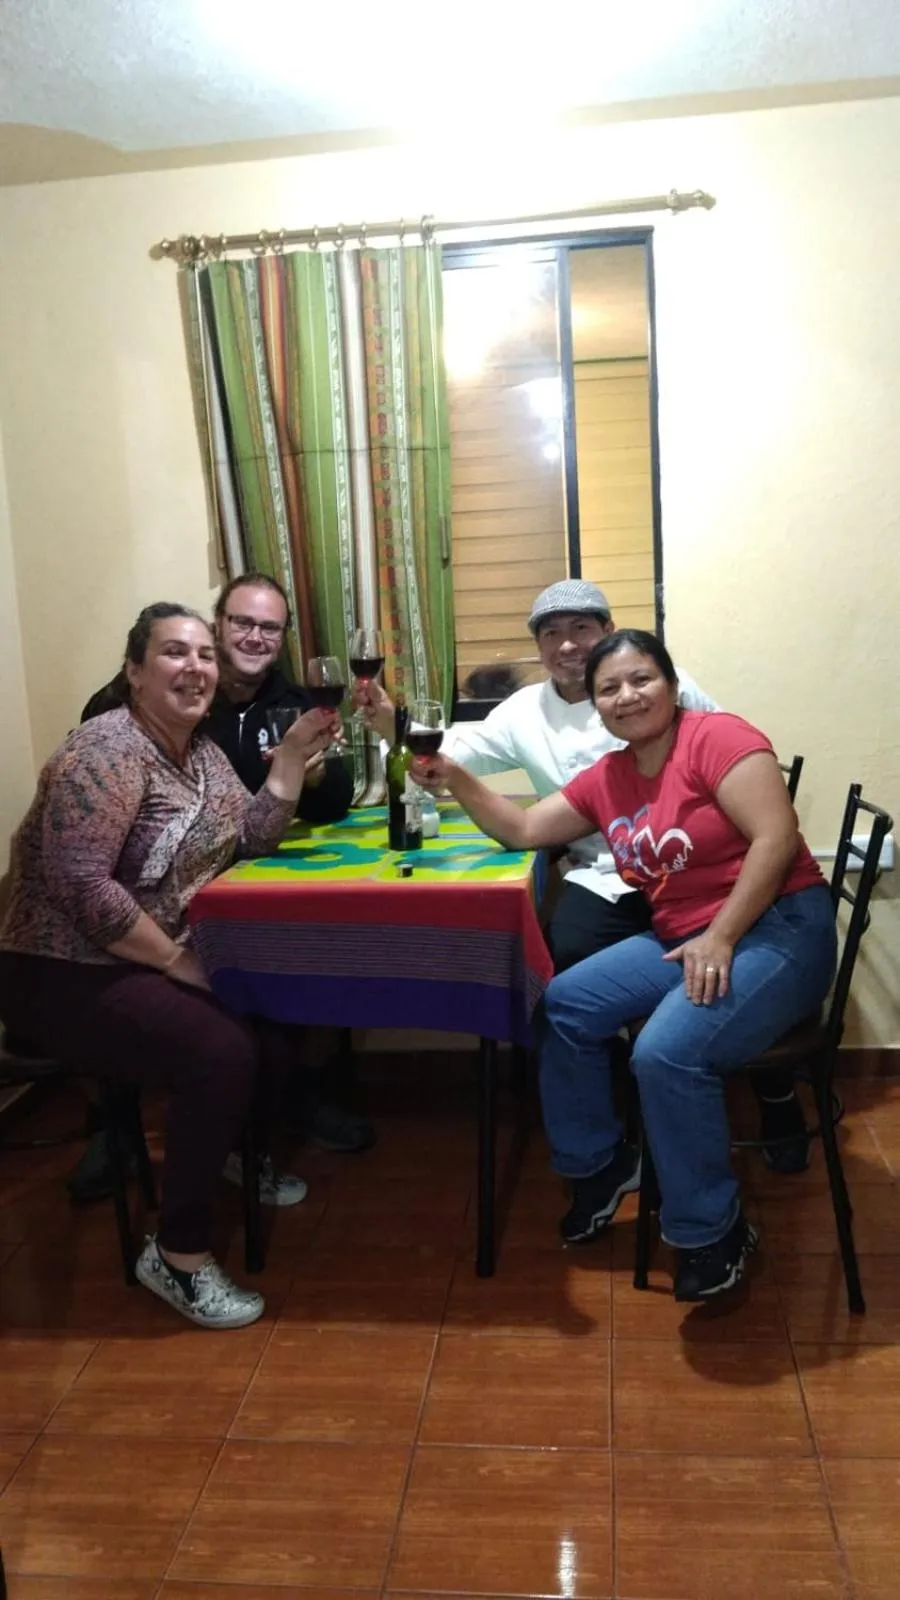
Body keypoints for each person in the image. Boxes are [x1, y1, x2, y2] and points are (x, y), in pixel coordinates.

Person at [410, 630, 836, 1301]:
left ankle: (711, 1232)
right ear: (597, 707)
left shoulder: (718, 737)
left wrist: (722, 937)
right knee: (565, 1004)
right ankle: (604, 1165)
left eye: (641, 679)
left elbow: (776, 838)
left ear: (670, 683)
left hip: (778, 929)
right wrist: (455, 776)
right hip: (684, 937)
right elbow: (523, 831)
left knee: (665, 1054)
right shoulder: (610, 777)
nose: (626, 696)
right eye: (609, 688)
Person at [356, 578, 810, 1171]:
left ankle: (765, 1088)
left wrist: (723, 926)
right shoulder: (536, 719)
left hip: (700, 871)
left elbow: (739, 774)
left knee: (721, 980)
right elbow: (452, 757)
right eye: (552, 634)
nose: (567, 645)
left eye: (582, 630)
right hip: (605, 869)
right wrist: (393, 721)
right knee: (566, 964)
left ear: (610, 636)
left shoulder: (683, 705)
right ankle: (618, 1114)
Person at [0, 602, 336, 1329]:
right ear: (134, 671)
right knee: (217, 1053)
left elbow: (248, 839)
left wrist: (287, 760)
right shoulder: (106, 751)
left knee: (274, 1017)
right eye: (174, 653)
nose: (197, 668)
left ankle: (228, 1152)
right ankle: (177, 1257)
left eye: (205, 656)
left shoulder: (201, 750)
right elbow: (81, 889)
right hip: (58, 969)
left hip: (145, 957)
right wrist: (180, 963)